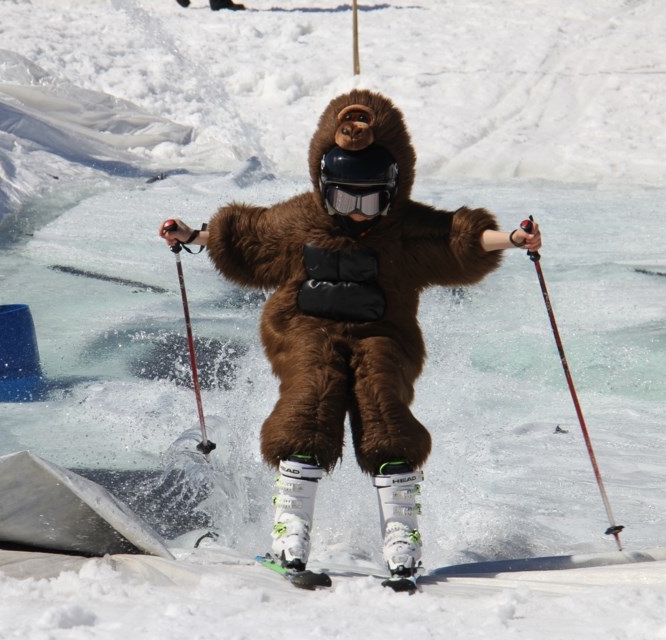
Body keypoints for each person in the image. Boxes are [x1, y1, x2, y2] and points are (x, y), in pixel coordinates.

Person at [159, 89, 541, 580]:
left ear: (393, 186)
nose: (358, 211)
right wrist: (191, 236)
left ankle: (401, 535)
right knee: (309, 398)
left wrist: (512, 238)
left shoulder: (405, 227)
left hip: (382, 332)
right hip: (304, 326)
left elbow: (458, 239)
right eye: (344, 197)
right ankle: (290, 530)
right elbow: (248, 234)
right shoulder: (301, 220)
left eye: (370, 198)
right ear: (324, 185)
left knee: (384, 408)